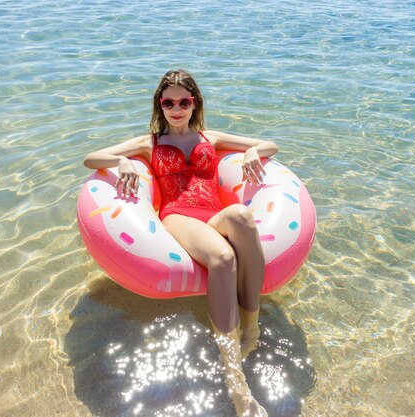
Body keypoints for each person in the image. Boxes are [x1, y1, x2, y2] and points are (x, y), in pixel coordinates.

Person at [83, 69, 278, 417]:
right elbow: (91, 158)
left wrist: (252, 153)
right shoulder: (151, 142)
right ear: (160, 104)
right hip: (178, 217)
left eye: (184, 101)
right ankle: (236, 381)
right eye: (168, 101)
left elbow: (270, 144)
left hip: (213, 215)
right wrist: (122, 160)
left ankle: (252, 328)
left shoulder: (210, 138)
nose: (176, 108)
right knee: (221, 256)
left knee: (243, 218)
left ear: (195, 103)